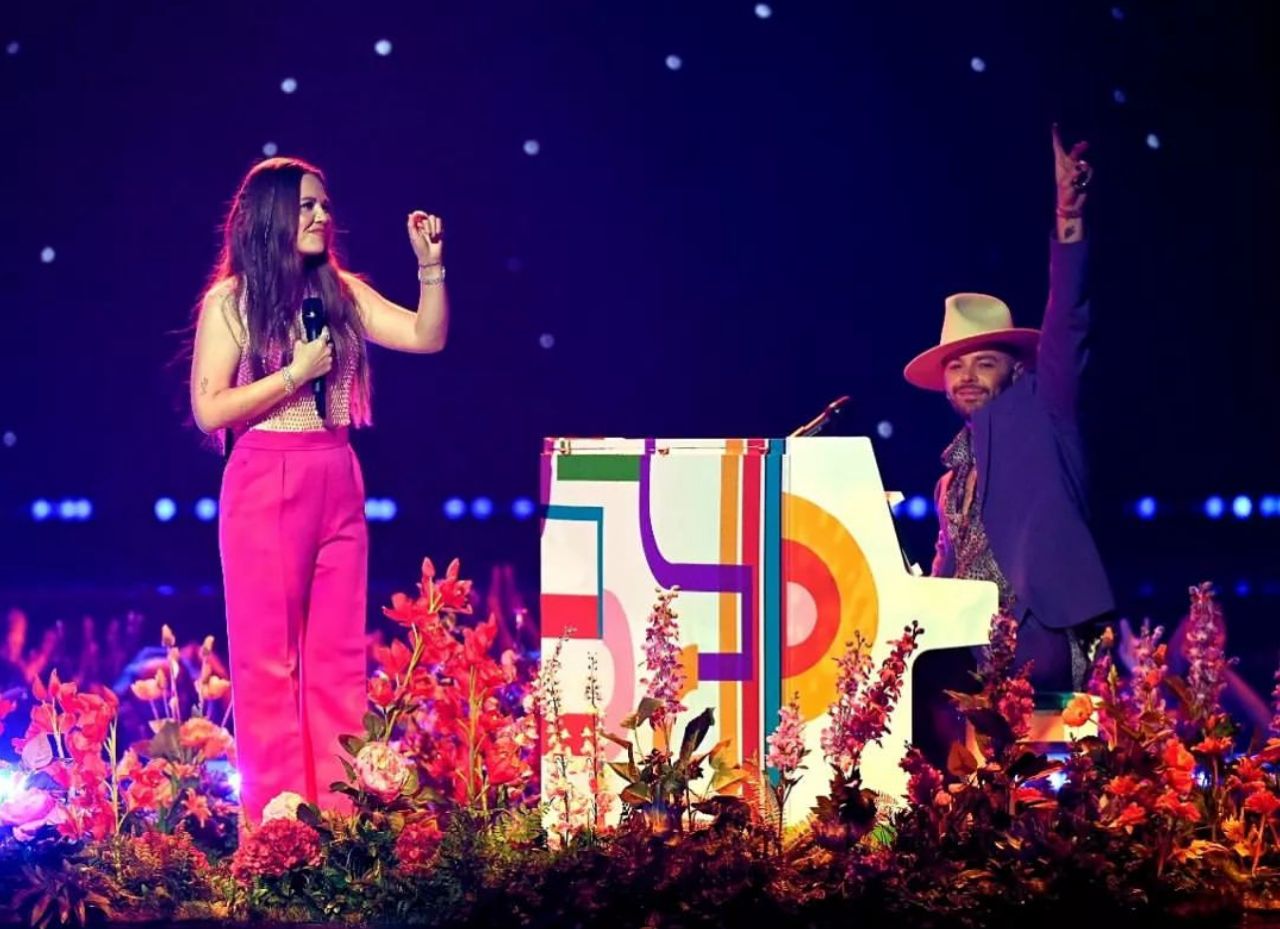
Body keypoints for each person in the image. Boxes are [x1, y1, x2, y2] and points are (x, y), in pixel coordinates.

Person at [189, 156, 449, 823]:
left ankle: (339, 823)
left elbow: (426, 336)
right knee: (269, 662)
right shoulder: (233, 300)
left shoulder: (339, 292)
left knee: (335, 656)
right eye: (307, 206)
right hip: (264, 474)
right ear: (272, 213)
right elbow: (210, 409)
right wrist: (294, 373)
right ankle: (278, 826)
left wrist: (430, 266)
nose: (321, 216)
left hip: (335, 471)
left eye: (326, 206)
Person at [906, 128, 1115, 759]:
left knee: (1059, 798)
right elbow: (947, 569)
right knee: (987, 813)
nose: (967, 375)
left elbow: (1067, 320)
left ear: (1016, 371)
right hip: (976, 666)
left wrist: (1068, 217)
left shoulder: (1045, 411)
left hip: (1046, 642)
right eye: (956, 367)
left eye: (984, 362)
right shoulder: (951, 477)